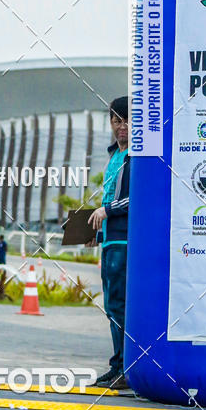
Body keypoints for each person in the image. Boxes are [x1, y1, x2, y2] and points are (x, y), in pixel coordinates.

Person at [88, 96, 130, 390]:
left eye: (126, 120)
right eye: (116, 121)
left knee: (122, 304)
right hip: (110, 239)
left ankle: (127, 368)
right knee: (112, 305)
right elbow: (107, 198)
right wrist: (96, 231)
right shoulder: (115, 155)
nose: (120, 127)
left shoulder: (137, 157)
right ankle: (117, 364)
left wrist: (108, 211)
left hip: (127, 238)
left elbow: (137, 197)